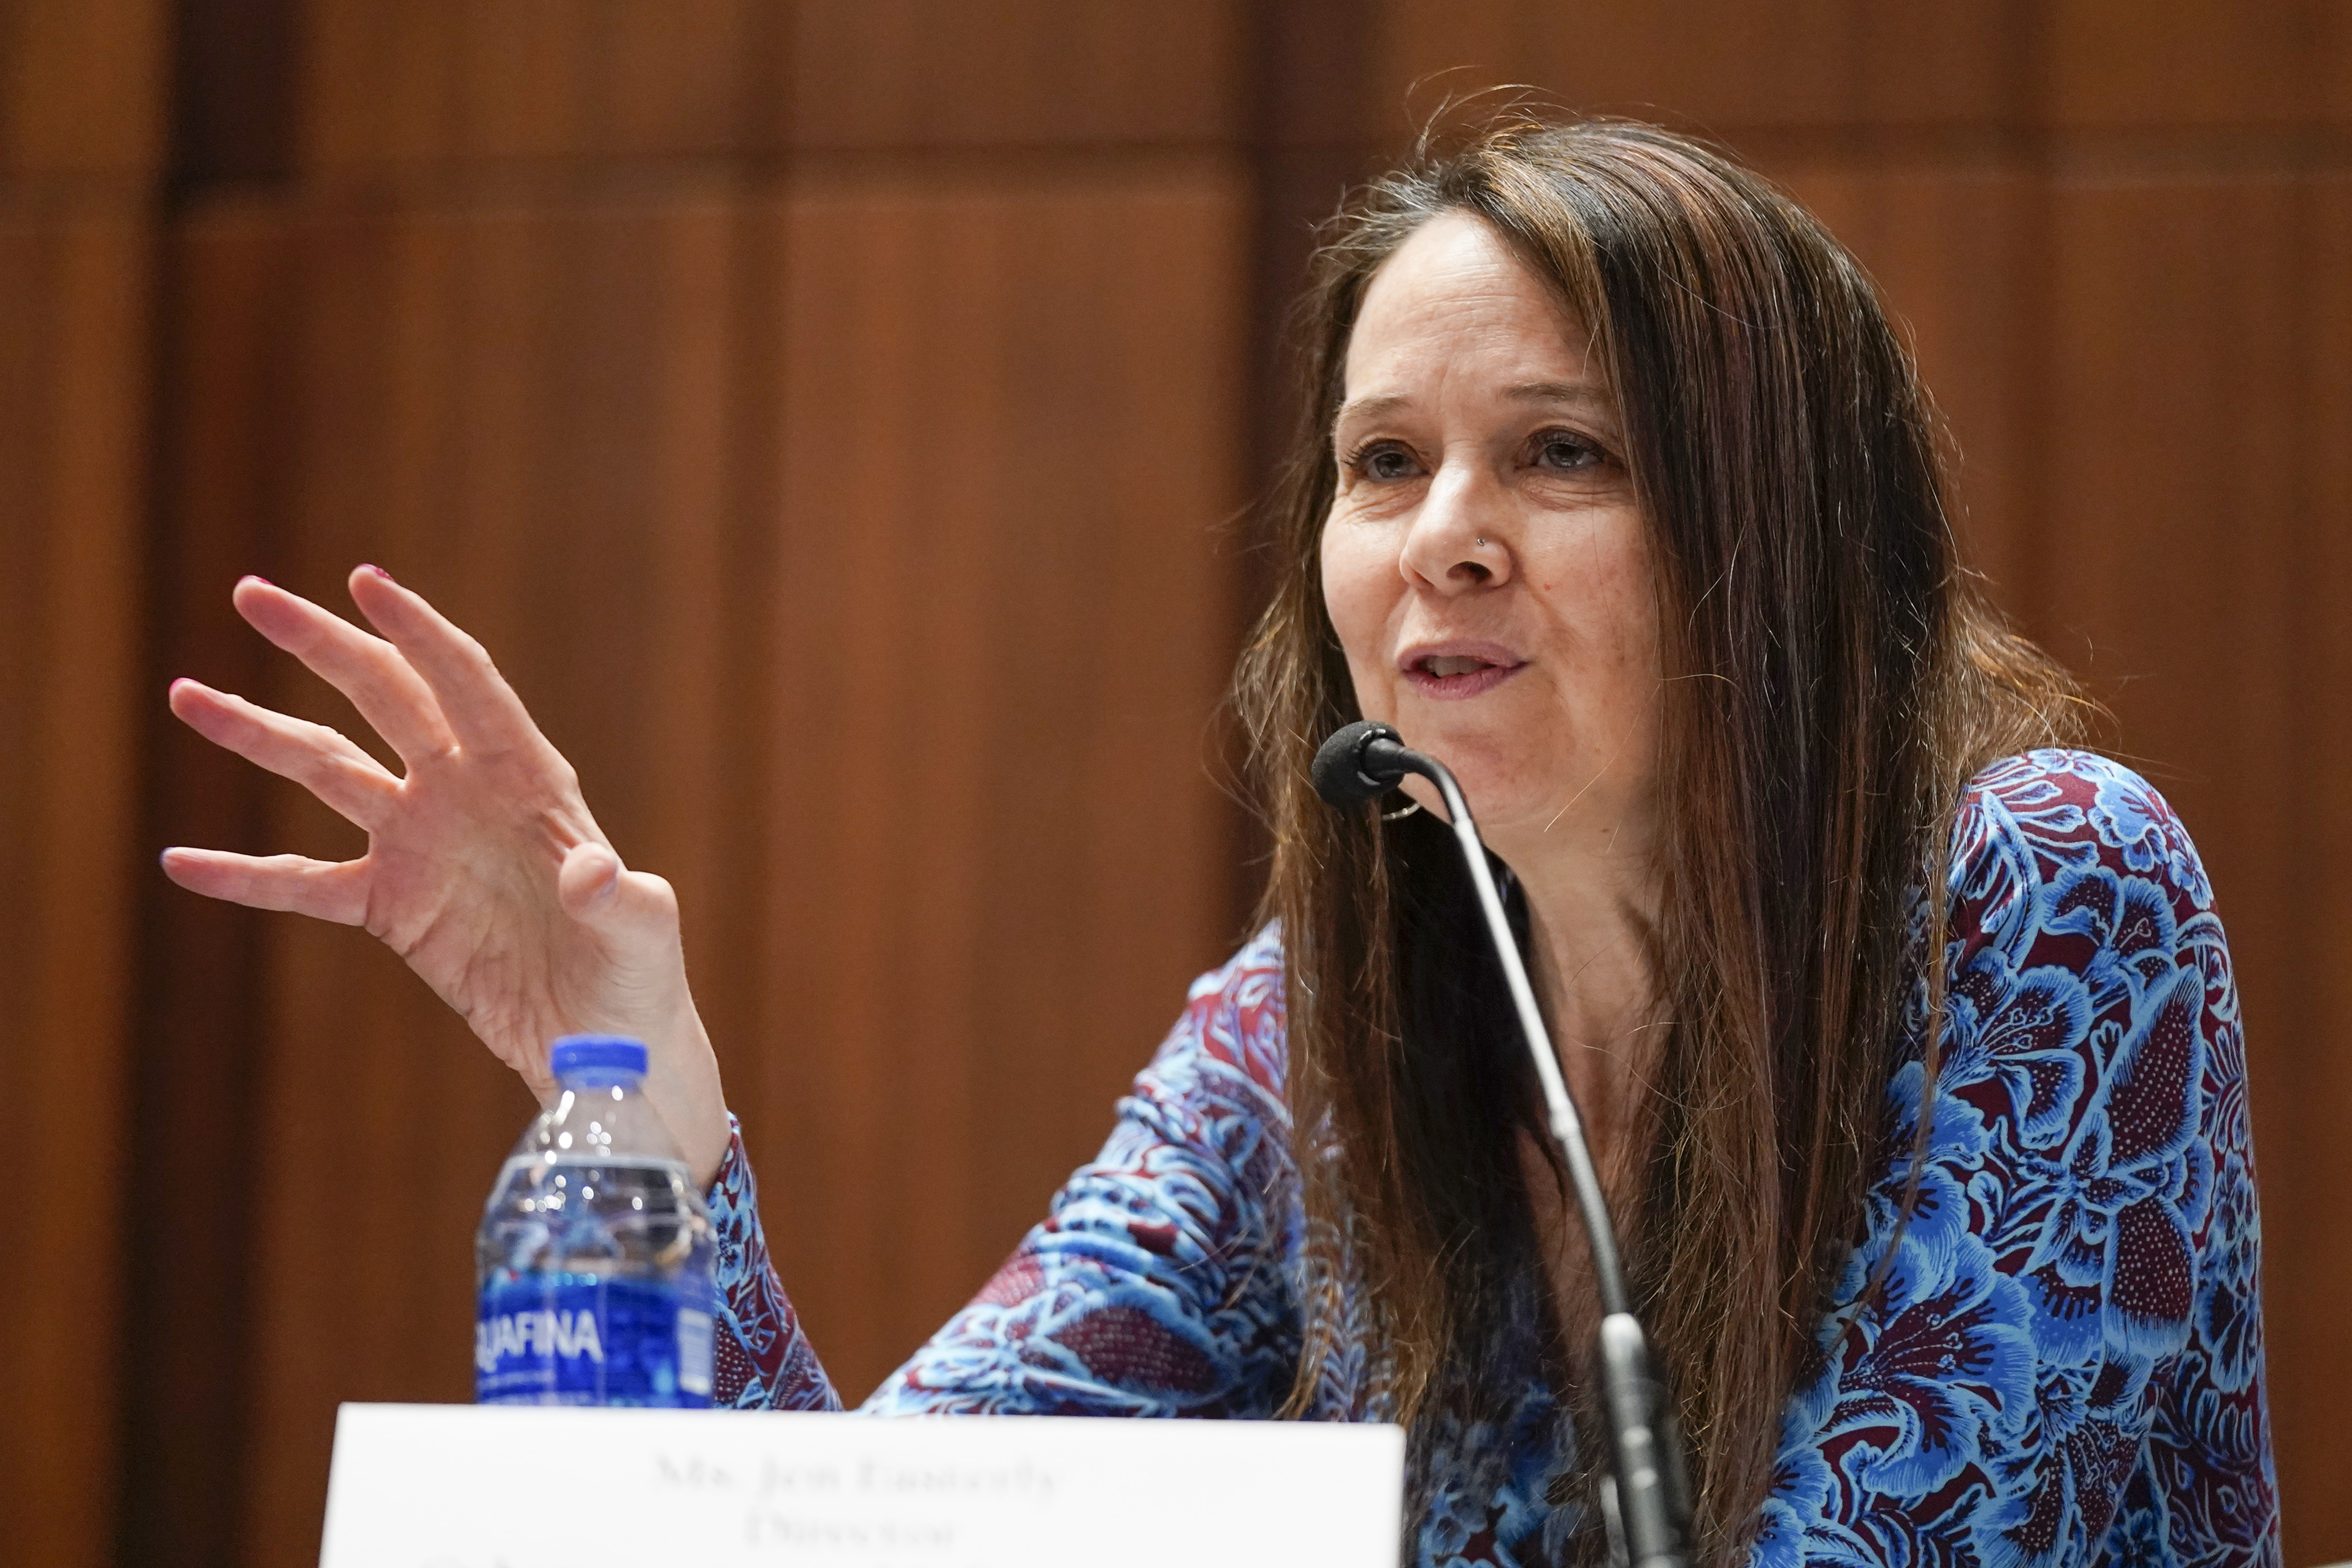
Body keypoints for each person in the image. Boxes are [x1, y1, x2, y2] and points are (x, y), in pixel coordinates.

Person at [161, 117, 2278, 1568]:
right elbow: (890, 1533)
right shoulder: (1312, 1036)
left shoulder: (2037, 889)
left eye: (1560, 453)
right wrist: (640, 1099)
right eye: (1384, 463)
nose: (1443, 537)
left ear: (1780, 536)